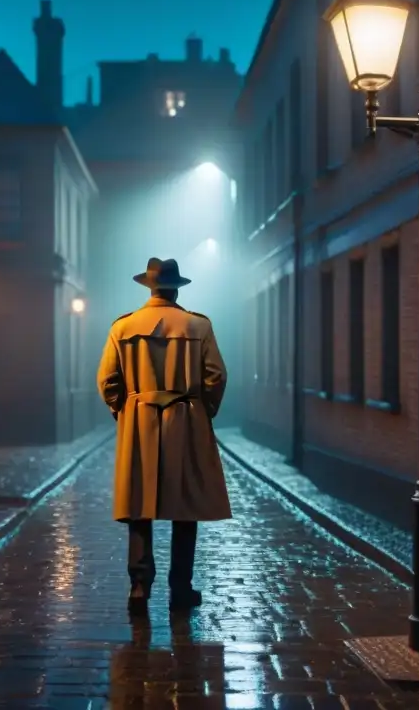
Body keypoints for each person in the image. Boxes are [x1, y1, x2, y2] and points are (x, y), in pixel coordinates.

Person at [96, 257, 232, 615]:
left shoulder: (123, 327)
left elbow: (108, 380)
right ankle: (180, 588)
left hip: (138, 420)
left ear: (149, 287)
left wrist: (124, 411)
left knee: (139, 506)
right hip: (186, 419)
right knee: (185, 507)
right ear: (176, 288)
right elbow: (216, 376)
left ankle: (140, 587)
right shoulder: (197, 325)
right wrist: (203, 412)